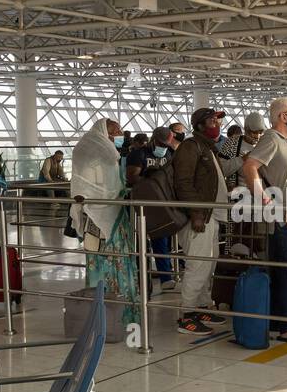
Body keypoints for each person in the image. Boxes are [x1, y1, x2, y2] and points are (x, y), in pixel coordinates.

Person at [240, 97, 287, 344]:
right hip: (281, 218)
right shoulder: (272, 138)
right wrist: (263, 198)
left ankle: (278, 321)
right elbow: (250, 166)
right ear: (284, 117)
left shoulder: (284, 142)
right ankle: (286, 326)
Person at [69, 117, 140, 328]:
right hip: (97, 215)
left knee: (116, 258)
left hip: (114, 213)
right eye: (115, 130)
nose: (120, 134)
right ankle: (106, 313)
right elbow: (85, 183)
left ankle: (117, 312)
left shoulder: (100, 148)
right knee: (104, 258)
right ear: (104, 132)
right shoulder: (93, 149)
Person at [170, 108, 234, 334]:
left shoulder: (207, 147)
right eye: (211, 120)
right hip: (199, 217)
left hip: (211, 215)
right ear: (198, 125)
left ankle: (201, 306)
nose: (216, 123)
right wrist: (196, 211)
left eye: (217, 120)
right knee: (198, 265)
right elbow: (183, 182)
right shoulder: (190, 147)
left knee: (209, 263)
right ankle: (186, 315)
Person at [127, 126, 176, 289]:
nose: (163, 148)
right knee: (142, 240)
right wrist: (151, 180)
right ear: (153, 140)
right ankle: (142, 276)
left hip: (163, 200)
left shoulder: (168, 153)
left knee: (163, 237)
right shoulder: (138, 154)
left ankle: (165, 277)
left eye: (166, 145)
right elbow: (132, 177)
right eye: (161, 144)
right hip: (144, 202)